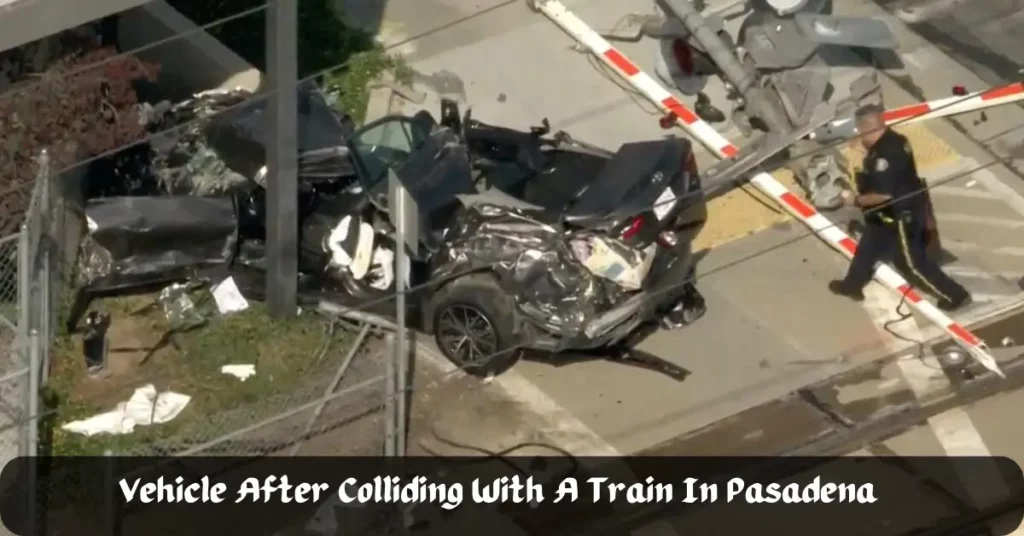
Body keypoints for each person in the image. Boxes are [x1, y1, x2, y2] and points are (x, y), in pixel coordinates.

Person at [828, 104, 972, 312]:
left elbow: (883, 194)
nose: (858, 136)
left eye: (860, 131)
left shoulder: (885, 156)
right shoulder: (894, 140)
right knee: (868, 248)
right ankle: (852, 285)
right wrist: (865, 150)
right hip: (887, 214)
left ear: (868, 126)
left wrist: (855, 200)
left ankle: (957, 295)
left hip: (901, 215)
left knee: (912, 262)